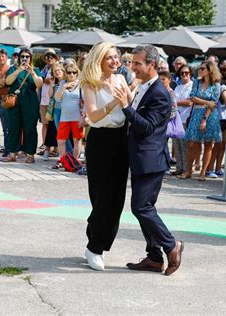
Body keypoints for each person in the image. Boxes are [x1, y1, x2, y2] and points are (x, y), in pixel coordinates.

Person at [118, 44, 183, 276]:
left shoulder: (160, 93)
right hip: (140, 158)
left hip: (151, 159)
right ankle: (154, 257)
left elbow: (146, 127)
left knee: (141, 207)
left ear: (151, 65)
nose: (132, 67)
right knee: (144, 207)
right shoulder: (145, 87)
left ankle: (171, 245)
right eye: (132, 62)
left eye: (137, 63)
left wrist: (126, 106)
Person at [80, 42, 132, 271]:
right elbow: (92, 116)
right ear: (99, 59)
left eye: (116, 57)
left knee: (117, 197)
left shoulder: (121, 80)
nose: (115, 61)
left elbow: (131, 105)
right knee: (101, 196)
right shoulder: (89, 83)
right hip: (100, 139)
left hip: (121, 138)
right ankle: (95, 247)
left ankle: (95, 236)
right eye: (109, 57)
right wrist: (114, 103)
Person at [178, 61, 222, 181]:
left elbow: (213, 104)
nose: (199, 70)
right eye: (199, 68)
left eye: (202, 68)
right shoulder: (196, 82)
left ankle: (203, 172)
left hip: (210, 116)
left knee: (208, 144)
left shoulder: (216, 85)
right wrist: (206, 102)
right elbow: (192, 97)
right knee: (192, 143)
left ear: (210, 70)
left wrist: (205, 118)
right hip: (196, 113)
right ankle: (188, 170)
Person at [4, 48, 43, 163]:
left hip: (30, 102)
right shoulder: (13, 69)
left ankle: (30, 154)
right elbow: (8, 82)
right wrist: (19, 70)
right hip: (15, 102)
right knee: (13, 127)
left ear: (31, 58)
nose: (25, 58)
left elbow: (39, 84)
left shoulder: (35, 70)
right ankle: (12, 154)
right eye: (22, 56)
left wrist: (32, 73)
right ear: (18, 58)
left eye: (27, 56)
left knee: (30, 128)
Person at [54, 63, 83, 159]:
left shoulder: (81, 84)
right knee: (61, 140)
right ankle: (63, 161)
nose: (71, 74)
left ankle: (75, 161)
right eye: (69, 72)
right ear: (65, 73)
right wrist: (64, 86)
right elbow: (57, 99)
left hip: (77, 117)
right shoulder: (63, 83)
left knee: (77, 140)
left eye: (74, 72)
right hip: (64, 117)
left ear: (77, 73)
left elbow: (85, 101)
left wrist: (84, 117)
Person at [172, 65, 193, 176]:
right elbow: (173, 101)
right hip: (176, 119)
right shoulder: (178, 87)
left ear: (190, 74)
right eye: (182, 73)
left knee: (185, 145)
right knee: (177, 145)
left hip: (187, 118)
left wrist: (177, 102)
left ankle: (186, 168)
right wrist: (179, 102)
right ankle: (179, 167)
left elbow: (190, 102)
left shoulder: (192, 86)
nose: (184, 75)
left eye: (186, 73)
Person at [39, 49, 59, 153]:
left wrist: (43, 80)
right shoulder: (44, 69)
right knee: (45, 123)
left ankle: (55, 147)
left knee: (54, 125)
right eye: (47, 57)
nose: (49, 59)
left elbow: (50, 80)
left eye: (51, 57)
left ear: (55, 58)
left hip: (53, 101)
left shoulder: (58, 68)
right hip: (44, 100)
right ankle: (45, 145)